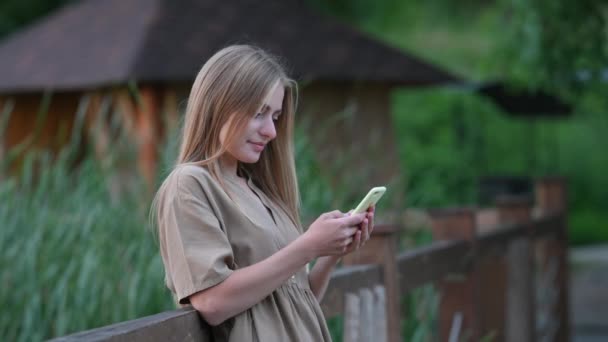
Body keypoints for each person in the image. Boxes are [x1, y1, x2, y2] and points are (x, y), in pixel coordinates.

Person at [152, 45, 375, 341]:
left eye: (276, 117)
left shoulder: (261, 193)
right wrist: (308, 245)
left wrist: (329, 254)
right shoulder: (190, 185)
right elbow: (211, 302)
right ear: (219, 105)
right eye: (259, 113)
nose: (271, 131)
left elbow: (297, 302)